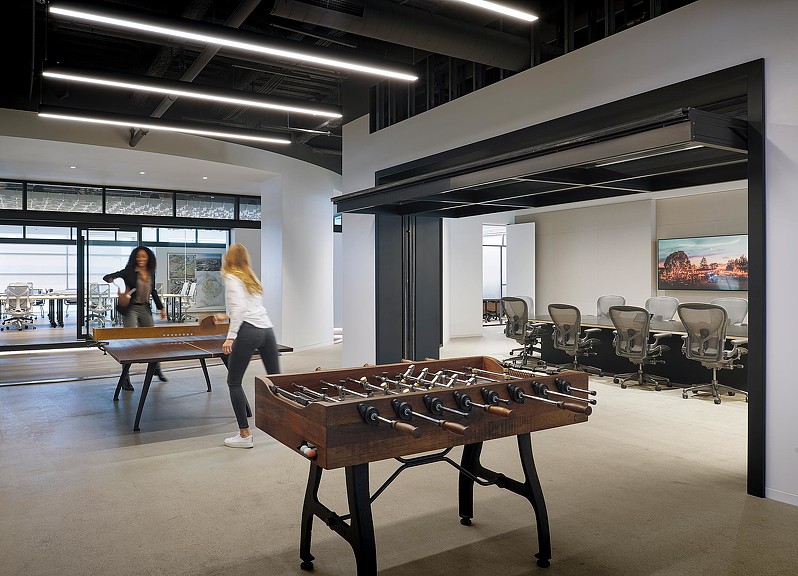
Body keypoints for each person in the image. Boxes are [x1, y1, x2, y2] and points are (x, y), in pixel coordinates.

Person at [218, 243, 280, 449]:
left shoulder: (231, 277)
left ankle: (244, 434)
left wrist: (230, 337)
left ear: (229, 258)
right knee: (276, 380)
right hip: (267, 330)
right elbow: (248, 306)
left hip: (249, 331)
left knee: (234, 382)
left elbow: (240, 309)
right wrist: (224, 316)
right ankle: (290, 425)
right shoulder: (252, 278)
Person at [103, 245, 168, 389]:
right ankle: (125, 378)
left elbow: (153, 291)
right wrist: (110, 279)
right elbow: (110, 276)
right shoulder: (129, 271)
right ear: (134, 258)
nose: (141, 259)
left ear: (148, 258)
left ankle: (156, 368)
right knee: (129, 342)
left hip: (144, 308)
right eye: (138, 256)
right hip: (131, 308)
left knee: (152, 339)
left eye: (144, 256)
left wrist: (161, 307)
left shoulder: (151, 272)